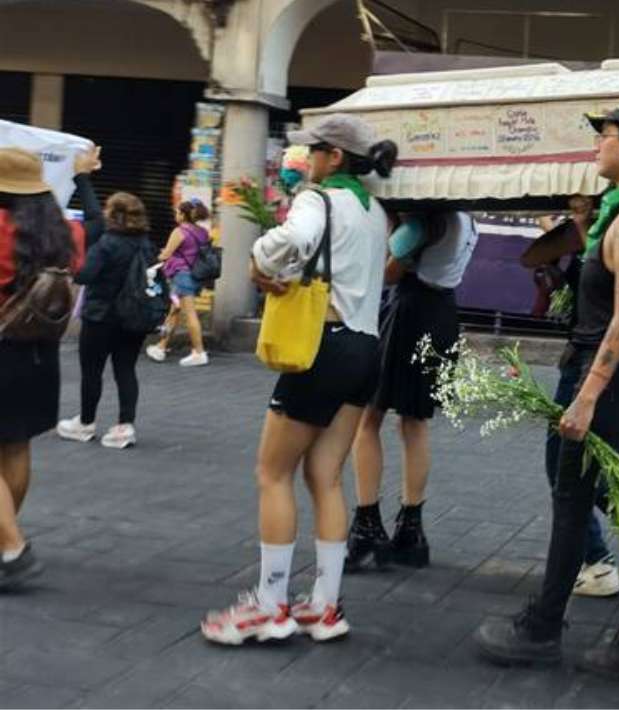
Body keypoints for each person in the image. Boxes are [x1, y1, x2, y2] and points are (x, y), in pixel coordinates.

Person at [473, 103, 619, 689]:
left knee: (572, 497)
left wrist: (587, 396)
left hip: (618, 378)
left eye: (606, 135)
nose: (597, 145)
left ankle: (542, 628)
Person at [199, 114, 397, 645]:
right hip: (364, 347)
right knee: (327, 477)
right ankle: (325, 607)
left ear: (334, 156)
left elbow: (294, 240)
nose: (306, 161)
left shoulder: (318, 198)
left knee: (272, 473)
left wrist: (261, 259)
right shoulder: (376, 210)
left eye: (314, 152)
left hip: (322, 347)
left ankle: (270, 607)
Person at [346, 210, 478, 571]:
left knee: (368, 417)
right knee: (415, 422)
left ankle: (367, 526)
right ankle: (411, 530)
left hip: (408, 311)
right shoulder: (467, 220)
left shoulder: (424, 222)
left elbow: (388, 273)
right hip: (442, 314)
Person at [517, 196, 619, 597]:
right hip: (584, 359)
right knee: (584, 465)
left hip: (592, 365)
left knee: (563, 464)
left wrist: (580, 225)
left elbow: (606, 284)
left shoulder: (618, 231)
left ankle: (599, 560)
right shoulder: (598, 233)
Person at [0, 147, 93, 588]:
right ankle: (4, 544)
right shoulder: (66, 234)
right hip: (39, 356)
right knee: (16, 448)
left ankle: (12, 549)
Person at [56, 192, 155, 450]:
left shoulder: (107, 243)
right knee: (126, 369)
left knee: (92, 372)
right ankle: (125, 426)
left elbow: (84, 276)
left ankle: (86, 423)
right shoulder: (146, 243)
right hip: (134, 315)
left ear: (113, 215)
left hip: (101, 316)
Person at [146, 198, 211, 366]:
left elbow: (166, 254)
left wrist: (152, 257)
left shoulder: (180, 231)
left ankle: (199, 352)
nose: (175, 215)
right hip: (195, 277)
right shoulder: (203, 232)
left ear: (183, 215)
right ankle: (161, 346)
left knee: (189, 314)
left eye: (177, 212)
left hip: (182, 277)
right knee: (174, 311)